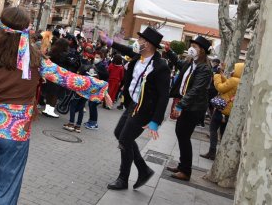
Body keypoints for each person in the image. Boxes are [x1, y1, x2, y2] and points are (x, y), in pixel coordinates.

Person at [0, 7, 110, 204]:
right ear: (26, 30)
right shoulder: (35, 59)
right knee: (8, 188)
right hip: (17, 133)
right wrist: (99, 87)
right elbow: (67, 78)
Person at [100, 27, 171, 191]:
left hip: (145, 110)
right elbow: (124, 48)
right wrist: (109, 41)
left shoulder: (160, 67)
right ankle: (144, 169)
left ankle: (123, 179)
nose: (137, 43)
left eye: (140, 40)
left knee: (125, 140)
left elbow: (163, 96)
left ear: (148, 44)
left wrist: (155, 121)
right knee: (119, 133)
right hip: (133, 105)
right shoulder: (138, 57)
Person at [166, 36, 213, 181]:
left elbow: (196, 90)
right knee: (181, 134)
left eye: (196, 46)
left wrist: (181, 105)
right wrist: (169, 52)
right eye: (191, 44)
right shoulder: (191, 63)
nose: (192, 48)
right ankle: (182, 166)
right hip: (187, 105)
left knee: (184, 135)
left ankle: (186, 171)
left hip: (193, 107)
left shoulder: (204, 68)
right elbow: (179, 63)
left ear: (203, 51)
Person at [201, 62, 243, 160]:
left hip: (221, 110)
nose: (232, 70)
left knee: (213, 130)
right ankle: (221, 154)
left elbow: (220, 87)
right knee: (223, 133)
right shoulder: (240, 81)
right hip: (229, 112)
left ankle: (212, 152)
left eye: (234, 69)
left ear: (238, 71)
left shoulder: (234, 80)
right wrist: (222, 76)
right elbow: (227, 85)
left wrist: (216, 76)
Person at [42, 38, 74, 118]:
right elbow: (70, 64)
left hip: (51, 74)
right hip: (60, 75)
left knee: (50, 93)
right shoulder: (65, 55)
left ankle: (47, 110)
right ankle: (51, 111)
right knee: (55, 94)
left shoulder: (52, 52)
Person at [84, 53, 109, 129]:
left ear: (101, 58)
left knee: (93, 105)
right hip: (96, 87)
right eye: (95, 57)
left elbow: (106, 75)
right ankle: (91, 121)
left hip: (99, 88)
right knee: (91, 105)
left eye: (98, 57)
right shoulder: (97, 65)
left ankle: (94, 123)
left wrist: (97, 72)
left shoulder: (101, 66)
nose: (95, 58)